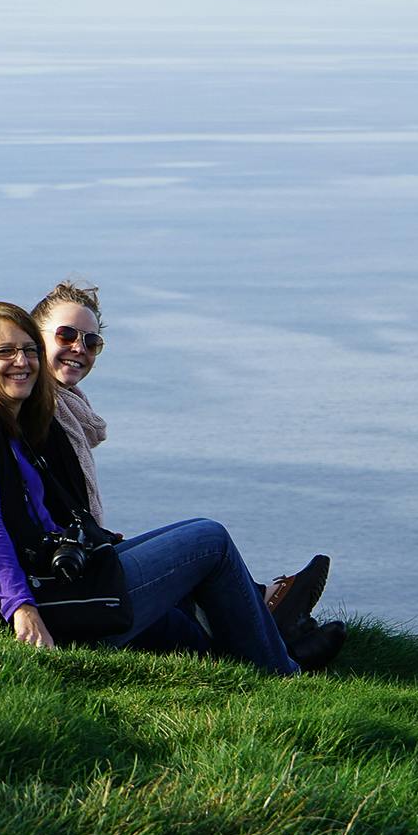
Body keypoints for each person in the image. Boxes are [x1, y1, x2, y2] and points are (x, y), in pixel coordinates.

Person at [0, 302, 315, 672]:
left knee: (183, 585)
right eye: (5, 352)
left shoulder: (13, 421)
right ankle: (282, 673)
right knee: (209, 540)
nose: (22, 362)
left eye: (28, 350)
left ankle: (276, 655)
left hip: (59, 580)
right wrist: (20, 607)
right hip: (52, 604)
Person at [30, 280, 342, 668]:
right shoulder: (35, 412)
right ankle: (284, 669)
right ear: (33, 336)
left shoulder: (61, 408)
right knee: (209, 539)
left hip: (75, 575)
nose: (79, 348)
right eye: (66, 334)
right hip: (67, 596)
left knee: (186, 594)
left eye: (91, 342)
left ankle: (281, 633)